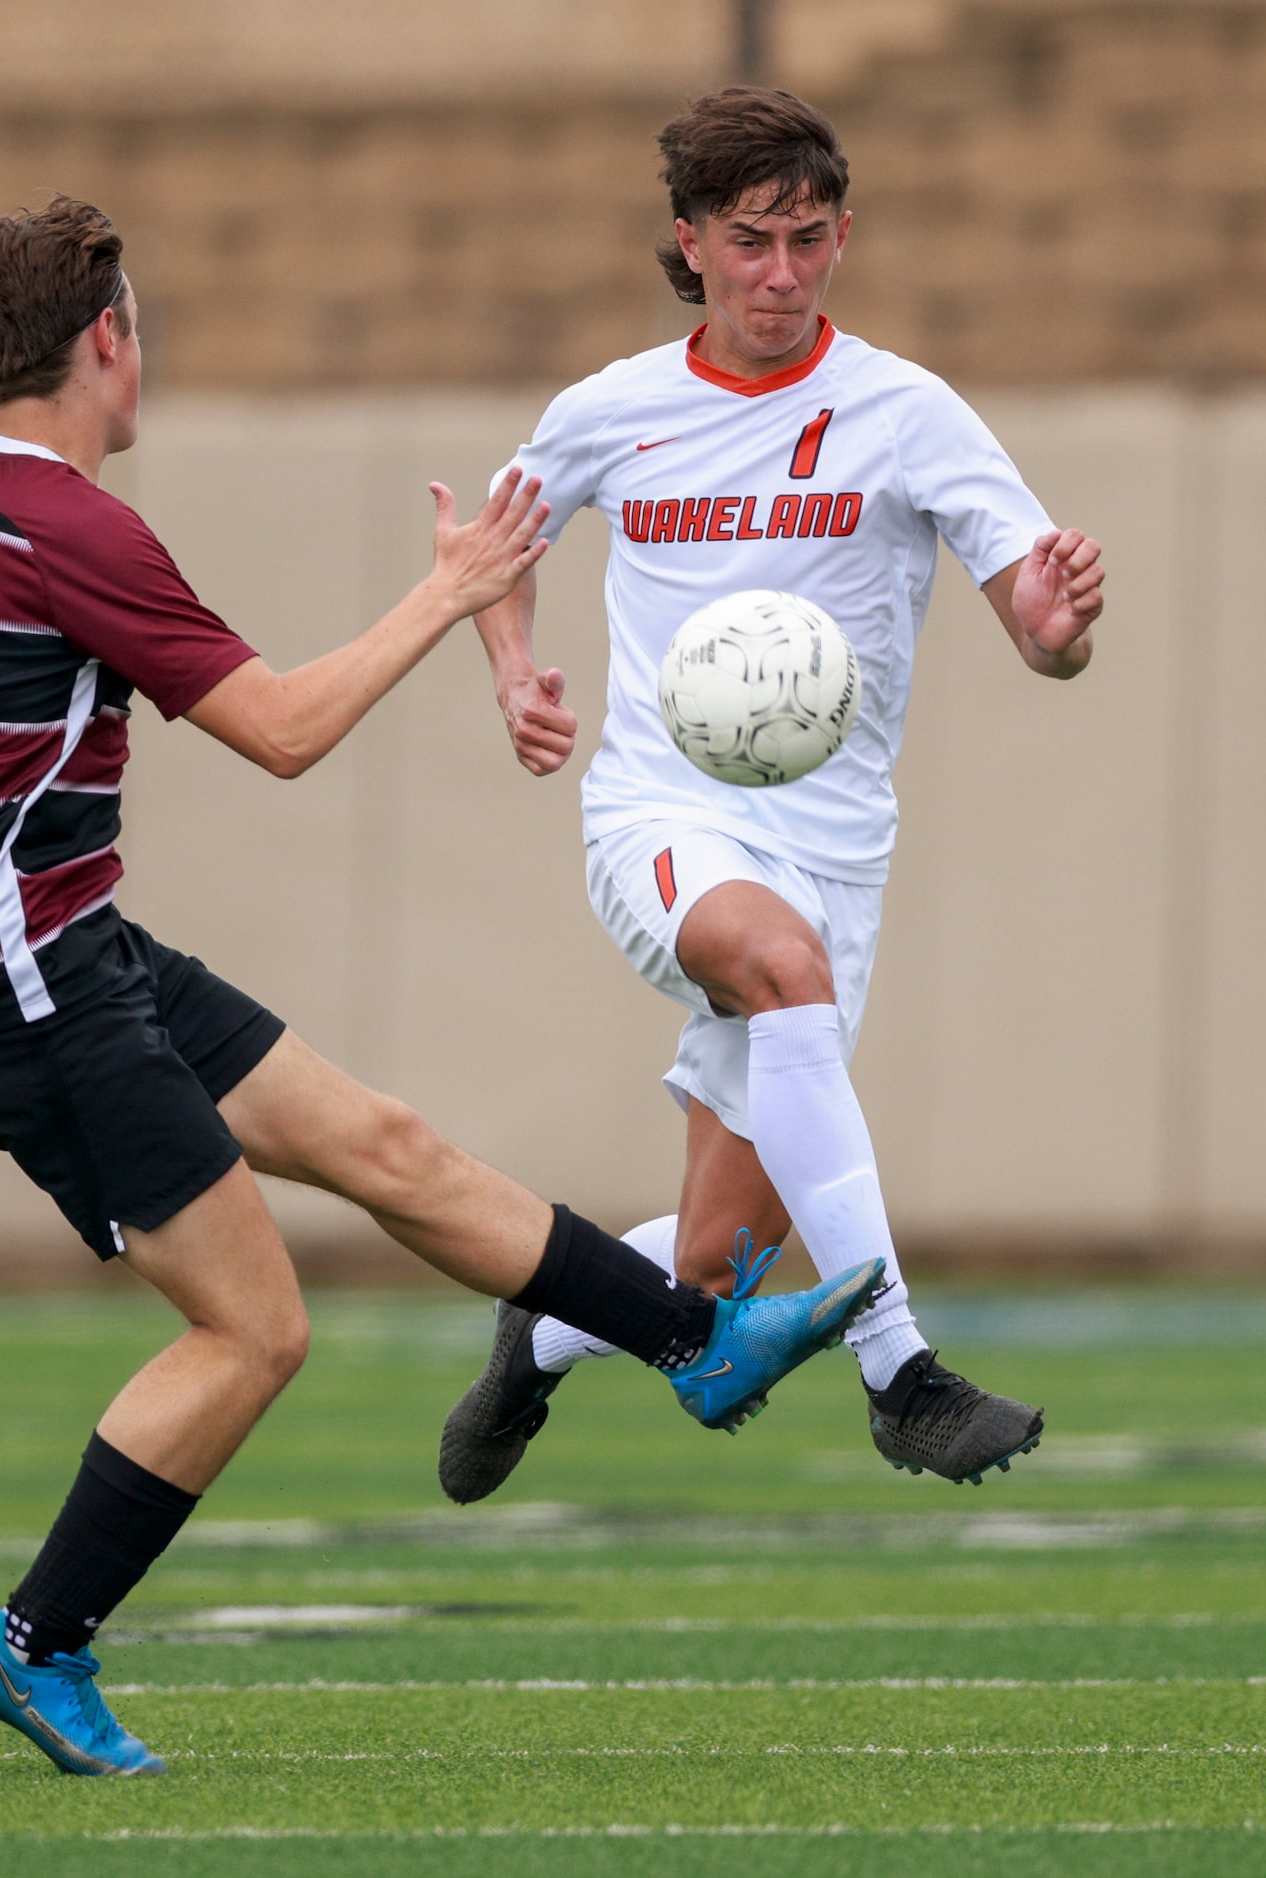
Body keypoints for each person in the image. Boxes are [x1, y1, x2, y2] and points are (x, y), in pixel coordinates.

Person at [0, 197, 888, 1779]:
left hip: (56, 952)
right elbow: (285, 729)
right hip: (33, 991)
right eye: (140, 325)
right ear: (107, 338)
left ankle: (688, 1343)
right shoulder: (74, 531)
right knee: (253, 1332)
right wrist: (449, 597)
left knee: (388, 1144)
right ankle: (33, 1642)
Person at [440, 88, 1105, 1504]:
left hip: (833, 847)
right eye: (749, 242)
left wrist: (1056, 626)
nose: (780, 275)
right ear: (687, 241)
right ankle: (901, 1370)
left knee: (710, 1264)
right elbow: (491, 545)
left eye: (808, 240)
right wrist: (513, 674)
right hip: (659, 819)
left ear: (841, 235)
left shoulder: (906, 412)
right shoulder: (611, 409)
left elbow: (1040, 631)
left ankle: (539, 1337)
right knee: (777, 967)